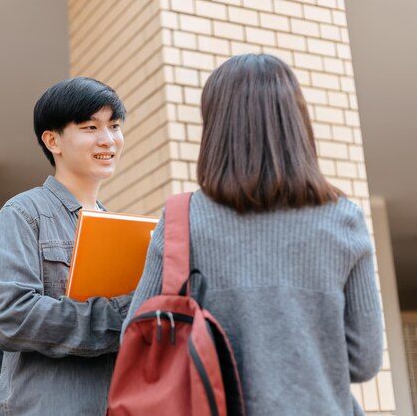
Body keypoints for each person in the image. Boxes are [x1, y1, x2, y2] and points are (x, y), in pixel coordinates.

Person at [124, 54, 383, 416]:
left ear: (215, 127)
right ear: (296, 123)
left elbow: (138, 337)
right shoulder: (345, 219)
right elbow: (364, 360)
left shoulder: (184, 219)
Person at [0, 77, 132, 416]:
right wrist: (120, 317)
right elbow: (10, 315)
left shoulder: (123, 228)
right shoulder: (24, 213)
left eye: (114, 125)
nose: (108, 139)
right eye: (90, 127)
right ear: (53, 140)